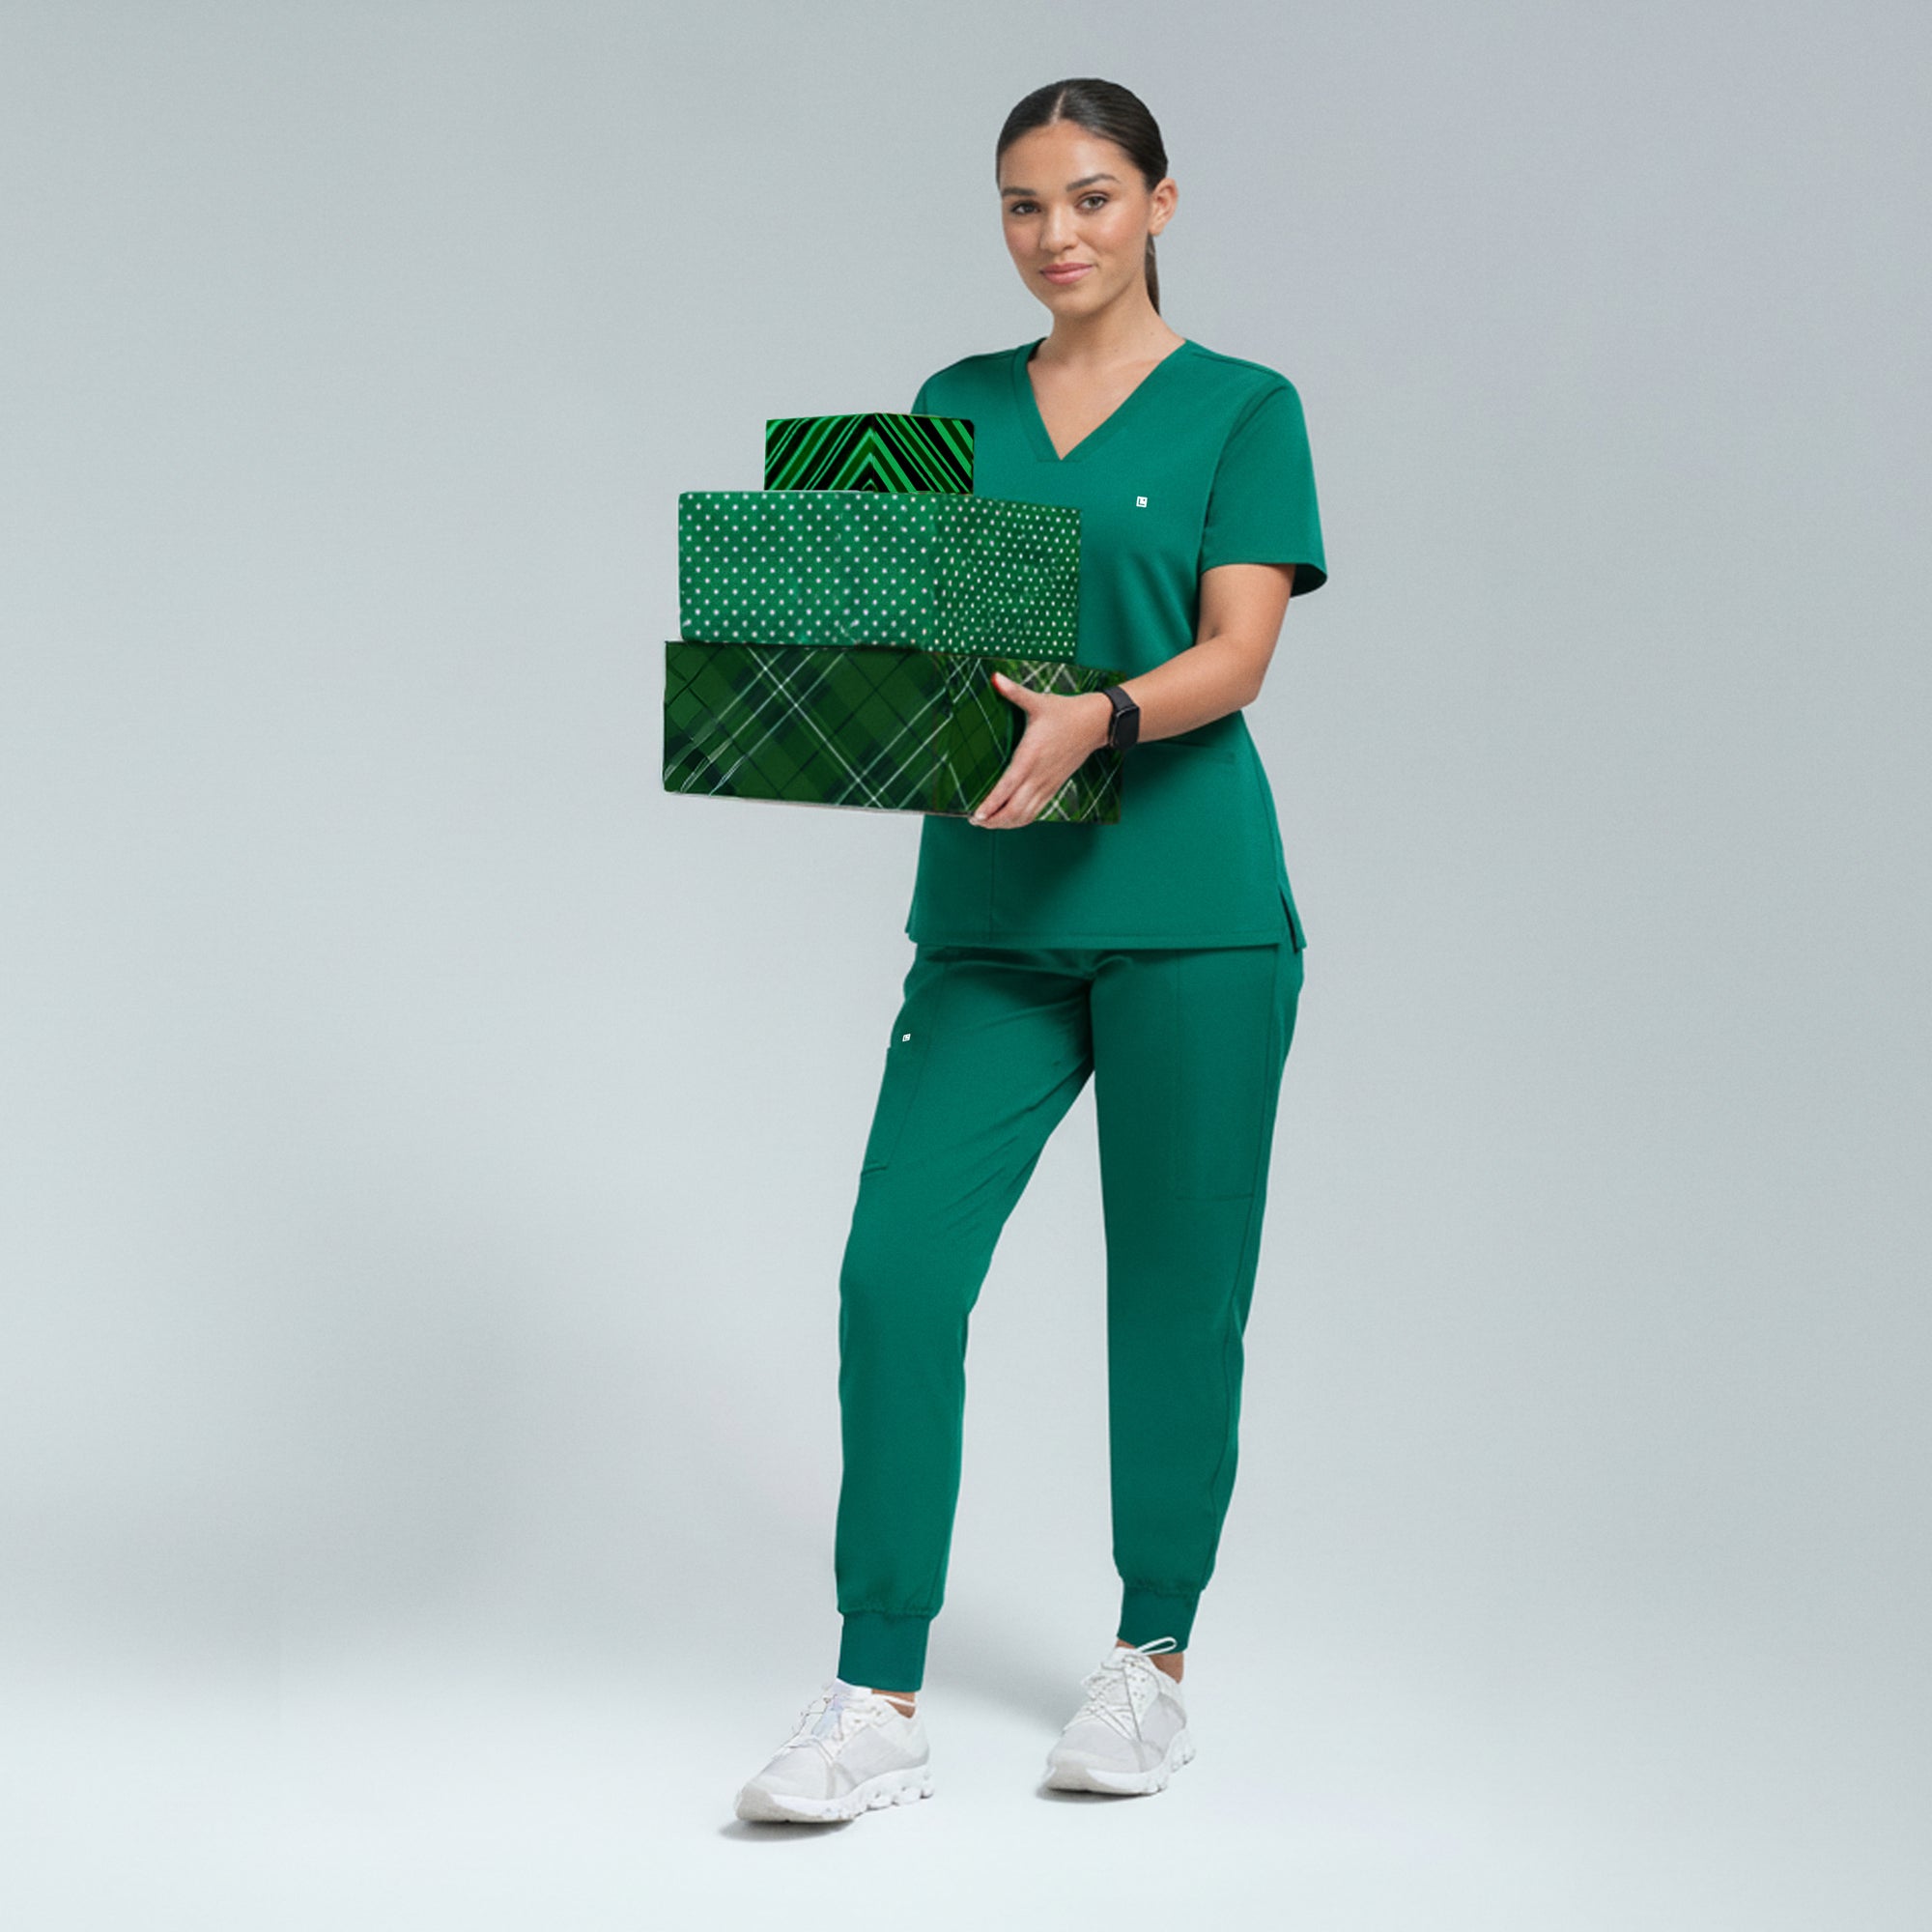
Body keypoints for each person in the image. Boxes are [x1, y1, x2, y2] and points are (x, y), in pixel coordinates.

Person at [734, 75, 1328, 1824]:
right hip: (991, 919)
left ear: (1158, 202)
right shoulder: (948, 406)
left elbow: (1238, 656)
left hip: (1196, 917)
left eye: (1086, 198)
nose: (1053, 236)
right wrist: (795, 683)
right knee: (893, 1276)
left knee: (1174, 1292)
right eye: (1020, 206)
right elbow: (894, 651)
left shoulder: (1243, 407)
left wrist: (1101, 716)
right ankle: (873, 1695)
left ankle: (1151, 1665)